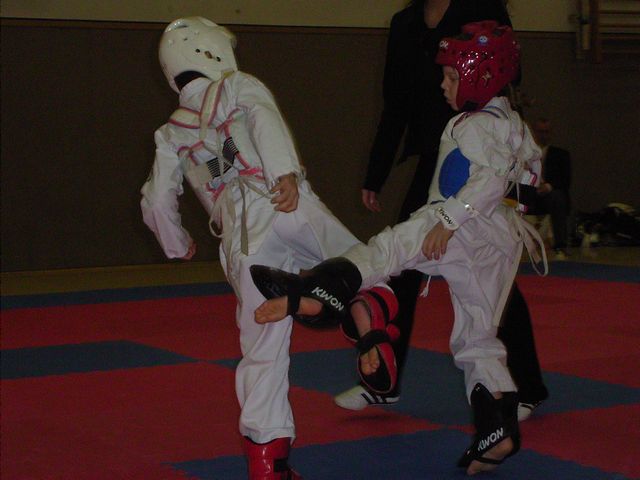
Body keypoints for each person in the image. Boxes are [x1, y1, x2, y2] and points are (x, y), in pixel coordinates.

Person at [251, 22, 546, 474]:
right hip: (501, 238)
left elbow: (487, 181)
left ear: (480, 78)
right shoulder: (515, 125)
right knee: (477, 335)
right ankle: (496, 428)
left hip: (464, 224)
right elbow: (529, 180)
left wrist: (449, 220)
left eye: (452, 76)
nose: (443, 84)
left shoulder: (476, 125)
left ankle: (322, 290)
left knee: (390, 248)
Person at [140, 17, 401, 480]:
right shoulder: (239, 85)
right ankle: (369, 321)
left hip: (242, 239)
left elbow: (157, 200)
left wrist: (177, 244)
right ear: (211, 51)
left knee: (262, 349)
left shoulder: (171, 134)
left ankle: (268, 462)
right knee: (364, 262)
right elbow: (264, 118)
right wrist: (286, 174)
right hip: (283, 202)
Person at [336, 0, 549, 421]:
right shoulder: (406, 22)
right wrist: (376, 173)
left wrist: (512, 150)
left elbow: (508, 74)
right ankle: (383, 381)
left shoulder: (482, 6)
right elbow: (395, 103)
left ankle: (524, 387)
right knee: (402, 263)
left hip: (481, 154)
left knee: (493, 278)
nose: (442, 82)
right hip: (439, 160)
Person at [529, 117, 572, 258]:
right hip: (527, 193)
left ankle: (560, 244)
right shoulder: (526, 153)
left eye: (546, 132)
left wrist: (547, 187)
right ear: (534, 132)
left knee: (558, 197)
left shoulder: (561, 154)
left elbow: (565, 180)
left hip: (549, 195)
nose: (543, 135)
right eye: (540, 131)